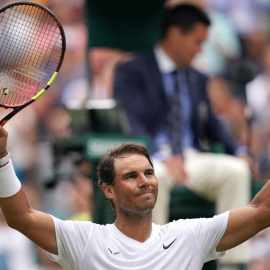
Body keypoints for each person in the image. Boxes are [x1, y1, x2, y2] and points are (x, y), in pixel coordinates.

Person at [0, 128, 269, 270]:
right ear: (108, 190)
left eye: (149, 173)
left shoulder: (189, 236)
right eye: (131, 176)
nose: (145, 181)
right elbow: (21, 216)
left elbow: (261, 211)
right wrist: (2, 158)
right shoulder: (84, 239)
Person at [113, 3, 256, 268]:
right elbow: (130, 122)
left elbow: (212, 126)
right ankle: (153, 261)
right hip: (150, 156)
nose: (201, 50)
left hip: (192, 158)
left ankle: (233, 265)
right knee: (156, 178)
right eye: (197, 41)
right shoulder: (132, 70)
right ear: (176, 33)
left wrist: (239, 151)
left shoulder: (198, 77)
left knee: (236, 170)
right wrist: (160, 156)